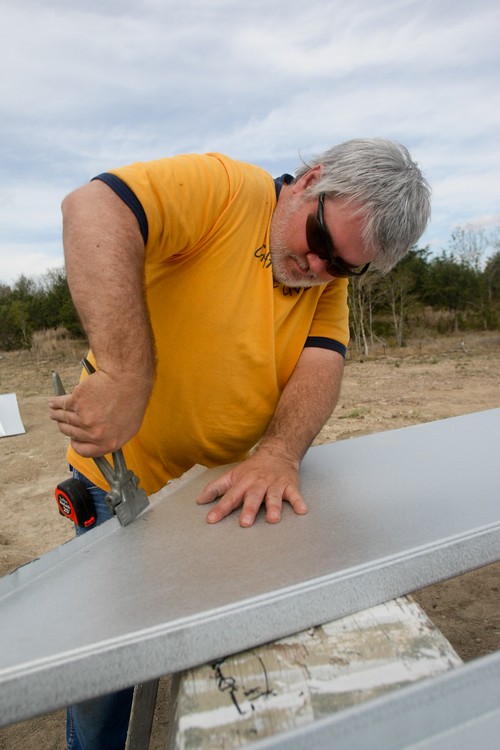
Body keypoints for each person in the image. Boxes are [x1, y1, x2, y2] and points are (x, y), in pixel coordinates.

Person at [49, 138, 431, 749]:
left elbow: (320, 364)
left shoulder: (325, 279)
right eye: (320, 241)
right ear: (312, 178)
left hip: (214, 500)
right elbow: (93, 207)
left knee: (209, 662)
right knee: (104, 682)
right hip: (119, 494)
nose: (318, 267)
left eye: (343, 266)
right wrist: (124, 373)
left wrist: (279, 452)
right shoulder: (226, 190)